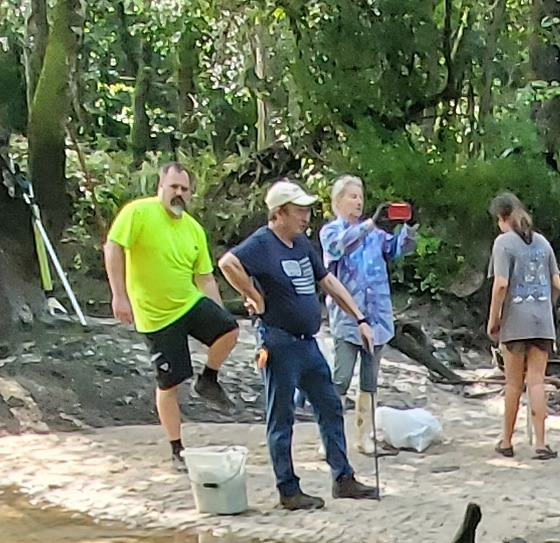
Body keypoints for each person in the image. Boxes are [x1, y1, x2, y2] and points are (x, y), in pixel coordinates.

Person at [218, 180, 383, 509]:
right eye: (299, 211)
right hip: (278, 340)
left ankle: (343, 478)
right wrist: (252, 295)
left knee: (330, 406)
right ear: (279, 213)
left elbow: (328, 281)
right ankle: (288, 489)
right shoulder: (263, 243)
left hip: (308, 342)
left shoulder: (302, 244)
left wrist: (359, 318)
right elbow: (228, 263)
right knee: (281, 416)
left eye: (308, 210)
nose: (306, 217)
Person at [104, 162, 242, 468]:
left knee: (230, 330)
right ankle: (176, 448)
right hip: (155, 315)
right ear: (160, 188)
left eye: (184, 189)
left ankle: (208, 379)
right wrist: (119, 295)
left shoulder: (193, 228)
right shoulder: (137, 213)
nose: (178, 194)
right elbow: (113, 247)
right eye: (173, 187)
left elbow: (205, 277)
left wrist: (217, 312)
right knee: (169, 383)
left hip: (188, 302)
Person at [320, 176, 404, 450]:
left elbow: (396, 250)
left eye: (360, 196)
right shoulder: (330, 232)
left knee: (370, 381)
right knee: (341, 378)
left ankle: (364, 436)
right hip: (347, 319)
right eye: (352, 196)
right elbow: (337, 247)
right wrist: (370, 224)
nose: (358, 201)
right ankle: (329, 437)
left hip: (378, 317)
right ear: (338, 201)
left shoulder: (376, 235)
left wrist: (407, 229)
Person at [485, 191, 560, 460]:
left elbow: (501, 284)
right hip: (542, 321)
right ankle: (541, 443)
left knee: (513, 384)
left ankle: (506, 441)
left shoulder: (503, 243)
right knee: (537, 382)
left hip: (515, 321)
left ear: (502, 217)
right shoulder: (542, 242)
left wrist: (493, 320)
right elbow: (557, 284)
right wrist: (545, 309)